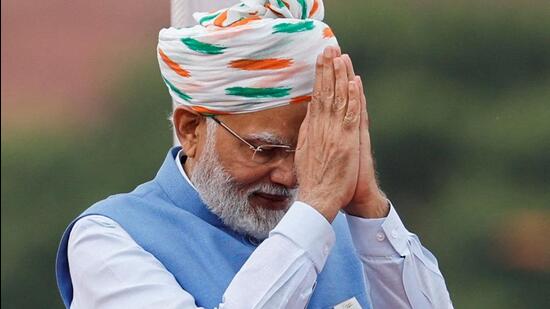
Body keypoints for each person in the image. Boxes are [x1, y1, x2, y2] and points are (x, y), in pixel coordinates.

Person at [56, 1, 453, 308]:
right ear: (190, 130)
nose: (289, 176)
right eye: (265, 150)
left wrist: (368, 206)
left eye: (308, 150)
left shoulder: (338, 220)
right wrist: (311, 218)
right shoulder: (110, 239)